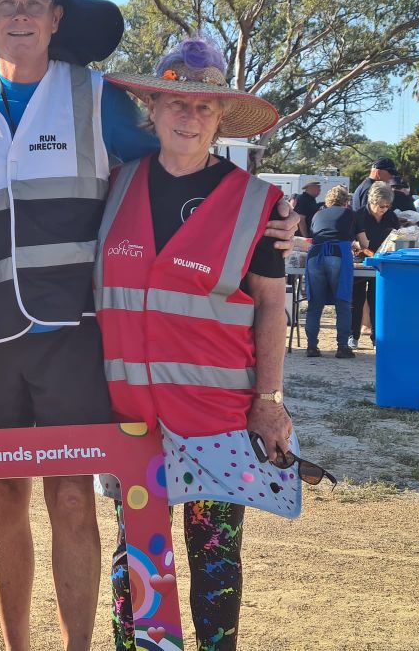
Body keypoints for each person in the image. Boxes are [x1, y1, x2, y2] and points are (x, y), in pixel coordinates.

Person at [0, 0, 300, 648]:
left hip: (75, 343)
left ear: (57, 17)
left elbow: (186, 151)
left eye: (34, 4)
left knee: (72, 499)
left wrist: (272, 221)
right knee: (1, 501)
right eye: (6, 4)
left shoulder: (101, 102)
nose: (19, 16)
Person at [94, 37, 294, 651]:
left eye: (205, 108)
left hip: (218, 421)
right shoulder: (112, 186)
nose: (189, 116)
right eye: (176, 102)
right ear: (152, 109)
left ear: (219, 121)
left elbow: (269, 307)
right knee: (138, 561)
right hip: (131, 420)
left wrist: (270, 397)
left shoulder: (261, 205)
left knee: (213, 565)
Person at [304, 185, 355, 358]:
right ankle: (342, 347)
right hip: (338, 254)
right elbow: (361, 240)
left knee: (315, 304)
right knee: (342, 302)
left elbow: (315, 234)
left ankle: (311, 346)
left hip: (315, 255)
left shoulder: (318, 214)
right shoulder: (348, 213)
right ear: (345, 201)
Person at [350, 181, 400, 349]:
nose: (384, 209)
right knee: (356, 299)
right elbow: (351, 240)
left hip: (381, 263)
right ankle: (353, 335)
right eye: (381, 206)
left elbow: (396, 237)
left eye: (387, 206)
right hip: (359, 262)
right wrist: (358, 247)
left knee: (377, 299)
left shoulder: (391, 216)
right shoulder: (357, 215)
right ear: (371, 201)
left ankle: (376, 338)